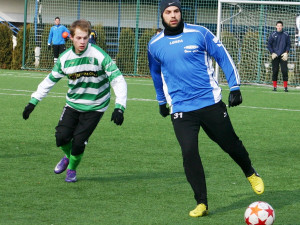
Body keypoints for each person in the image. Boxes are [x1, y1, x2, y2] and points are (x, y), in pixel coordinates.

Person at [148, 0, 264, 218]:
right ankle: (202, 202)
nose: (173, 15)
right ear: (162, 16)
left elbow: (223, 57)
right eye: (168, 12)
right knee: (189, 152)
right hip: (181, 108)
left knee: (230, 144)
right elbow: (156, 74)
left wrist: (235, 86)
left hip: (210, 103)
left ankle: (250, 171)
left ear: (181, 13)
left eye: (176, 11)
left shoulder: (200, 33)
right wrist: (161, 101)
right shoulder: (155, 45)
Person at [23, 19, 127, 183]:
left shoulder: (98, 55)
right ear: (71, 37)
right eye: (78, 38)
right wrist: (33, 102)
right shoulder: (65, 59)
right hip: (72, 104)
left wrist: (119, 106)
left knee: (78, 143)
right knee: (61, 137)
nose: (82, 42)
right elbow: (49, 81)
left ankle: (71, 169)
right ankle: (67, 156)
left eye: (85, 38)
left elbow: (118, 79)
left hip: (95, 106)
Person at [267, 21, 291, 92]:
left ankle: (285, 87)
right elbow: (269, 45)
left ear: (282, 27)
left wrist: (286, 52)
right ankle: (274, 87)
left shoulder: (286, 34)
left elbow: (288, 44)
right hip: (275, 55)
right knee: (275, 71)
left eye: (280, 26)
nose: (279, 27)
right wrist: (272, 53)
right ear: (276, 26)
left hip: (283, 55)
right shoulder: (272, 34)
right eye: (278, 26)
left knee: (284, 71)